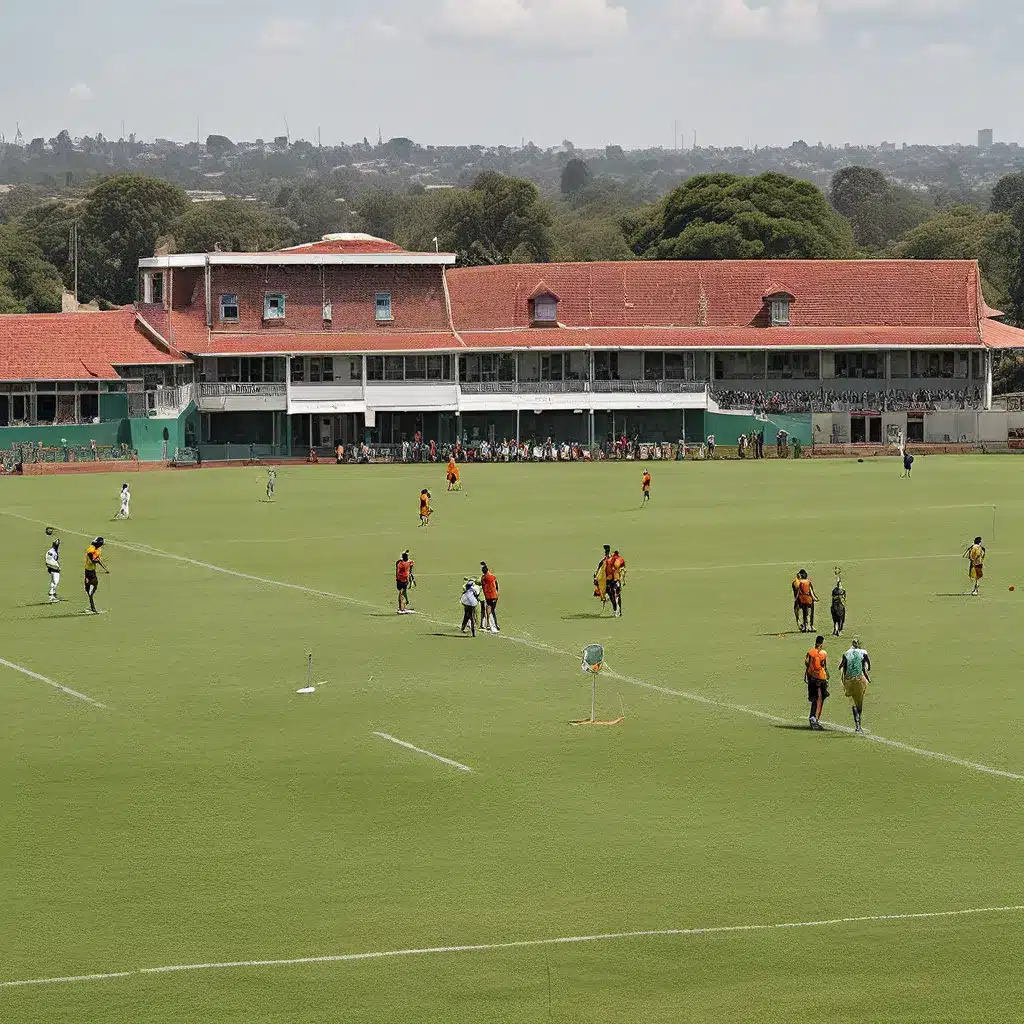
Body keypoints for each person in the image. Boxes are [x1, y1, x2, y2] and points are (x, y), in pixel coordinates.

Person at [840, 639, 871, 734]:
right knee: (859, 702)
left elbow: (841, 666)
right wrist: (868, 677)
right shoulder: (863, 652)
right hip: (859, 679)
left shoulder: (846, 653)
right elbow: (868, 665)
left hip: (849, 680)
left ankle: (857, 725)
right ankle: (859, 725)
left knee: (853, 702)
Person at [805, 635, 829, 731]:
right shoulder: (823, 653)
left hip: (811, 678)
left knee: (814, 698)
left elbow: (806, 663)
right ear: (822, 644)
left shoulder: (810, 652)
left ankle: (813, 717)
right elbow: (824, 666)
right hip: (820, 678)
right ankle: (814, 719)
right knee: (820, 698)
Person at [84, 537, 109, 615]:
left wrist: (105, 568)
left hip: (92, 571)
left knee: (94, 585)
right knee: (91, 587)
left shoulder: (98, 550)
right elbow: (91, 561)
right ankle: (92, 606)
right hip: (88, 572)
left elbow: (98, 559)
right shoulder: (91, 550)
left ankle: (91, 604)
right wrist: (96, 561)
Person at [606, 548, 626, 618]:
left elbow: (604, 571)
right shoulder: (620, 560)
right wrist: (623, 580)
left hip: (611, 580)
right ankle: (618, 610)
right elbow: (623, 570)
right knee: (617, 595)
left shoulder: (609, 560)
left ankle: (615, 610)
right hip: (617, 579)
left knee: (613, 595)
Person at [480, 562, 500, 633]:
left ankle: (492, 627)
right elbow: (496, 585)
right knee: (492, 611)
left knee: (489, 611)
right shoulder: (493, 577)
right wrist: (496, 592)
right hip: (494, 596)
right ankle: (495, 625)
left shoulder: (483, 578)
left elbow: (482, 586)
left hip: (488, 597)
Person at [45, 536, 61, 603]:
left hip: (50, 568)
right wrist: (57, 567)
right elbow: (54, 560)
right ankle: (52, 596)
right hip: (54, 568)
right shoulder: (54, 552)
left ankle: (53, 594)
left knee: (52, 581)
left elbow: (47, 560)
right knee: (55, 582)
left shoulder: (49, 551)